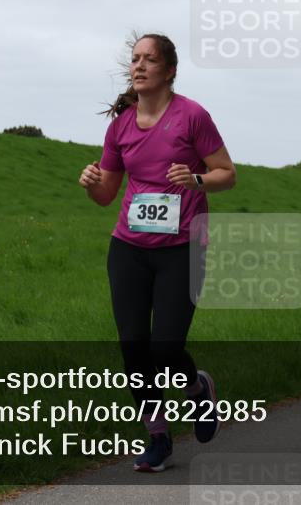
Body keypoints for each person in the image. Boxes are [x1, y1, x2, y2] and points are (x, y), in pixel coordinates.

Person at [79, 32, 237, 472]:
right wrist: (93, 185)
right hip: (128, 248)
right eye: (135, 59)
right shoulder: (121, 125)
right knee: (133, 347)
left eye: (150, 59)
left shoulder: (192, 116)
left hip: (183, 247)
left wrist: (198, 180)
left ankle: (198, 390)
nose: (140, 65)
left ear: (169, 71)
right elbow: (108, 195)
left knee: (165, 351)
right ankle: (159, 438)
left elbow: (228, 173)